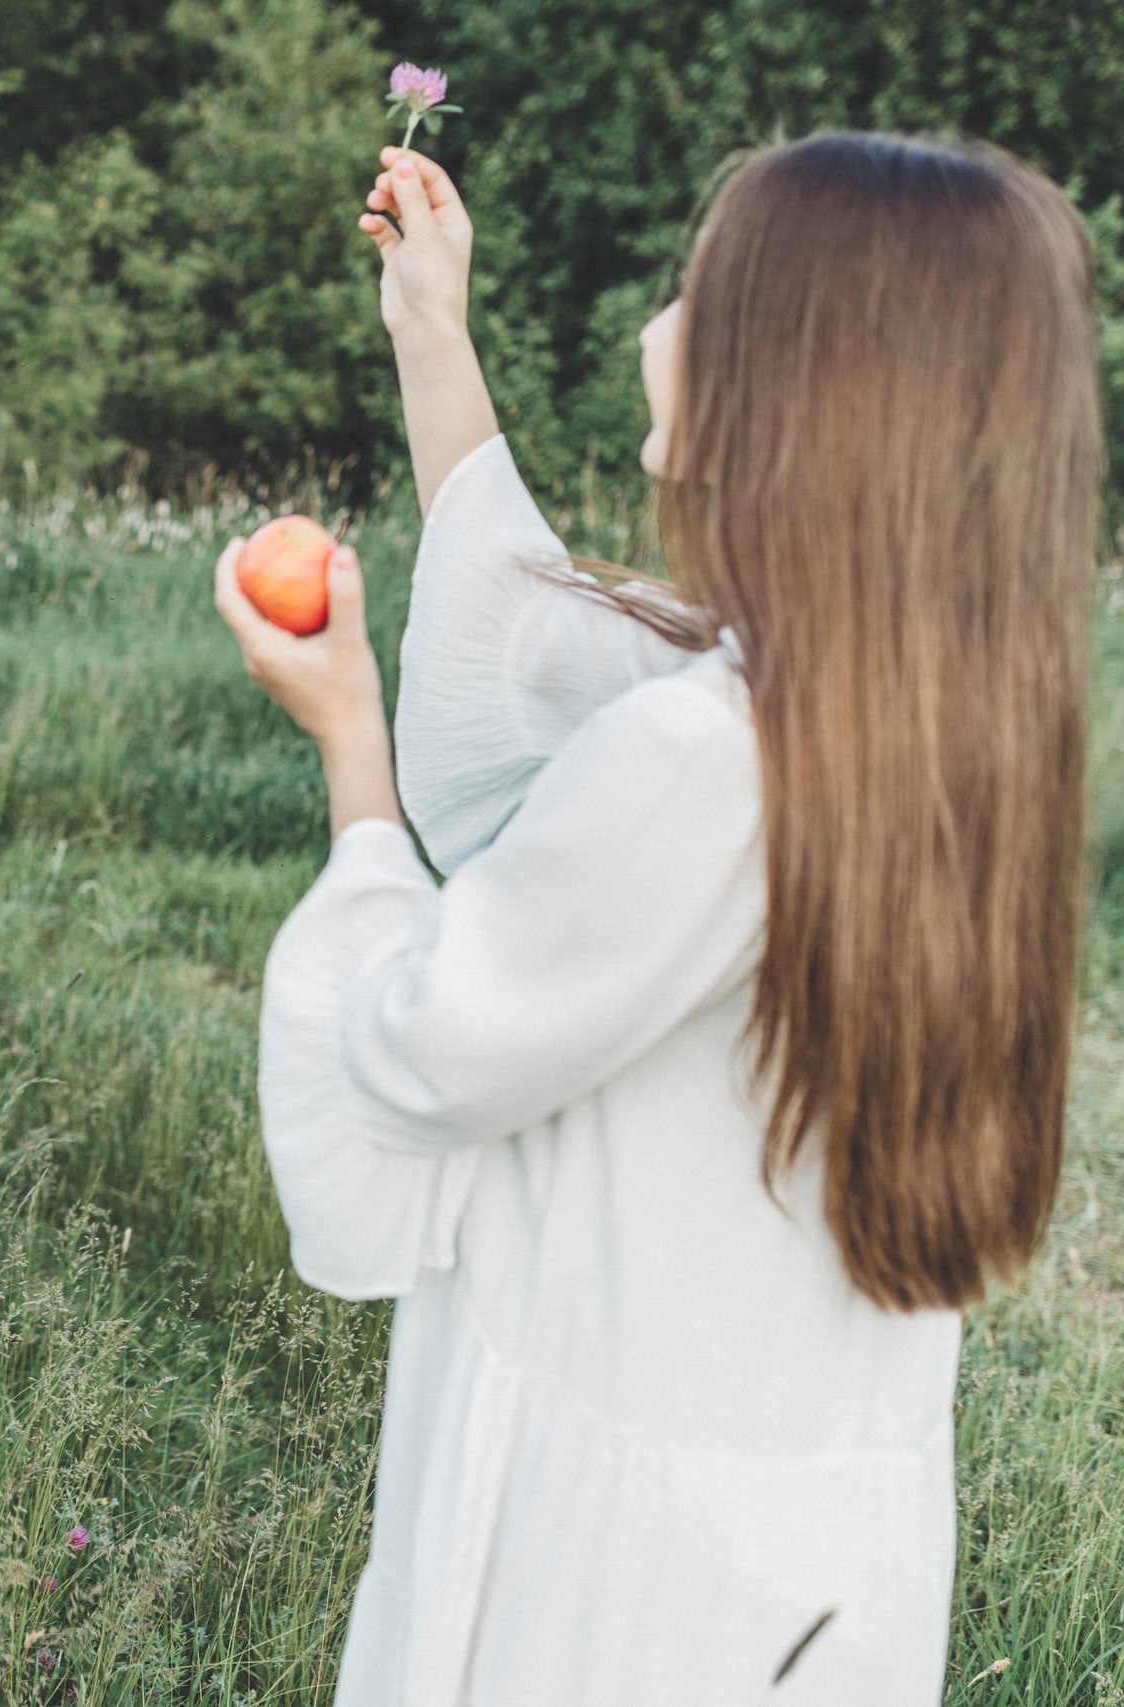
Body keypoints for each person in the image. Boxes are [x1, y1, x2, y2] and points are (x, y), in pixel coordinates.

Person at [217, 135, 1098, 1703]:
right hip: (805, 1555)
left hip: (609, 1574)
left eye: (698, 295)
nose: (652, 330)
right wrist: (433, 323)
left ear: (804, 385)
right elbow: (538, 636)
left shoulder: (708, 751)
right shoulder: (917, 723)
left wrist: (351, 753)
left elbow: (420, 1052)